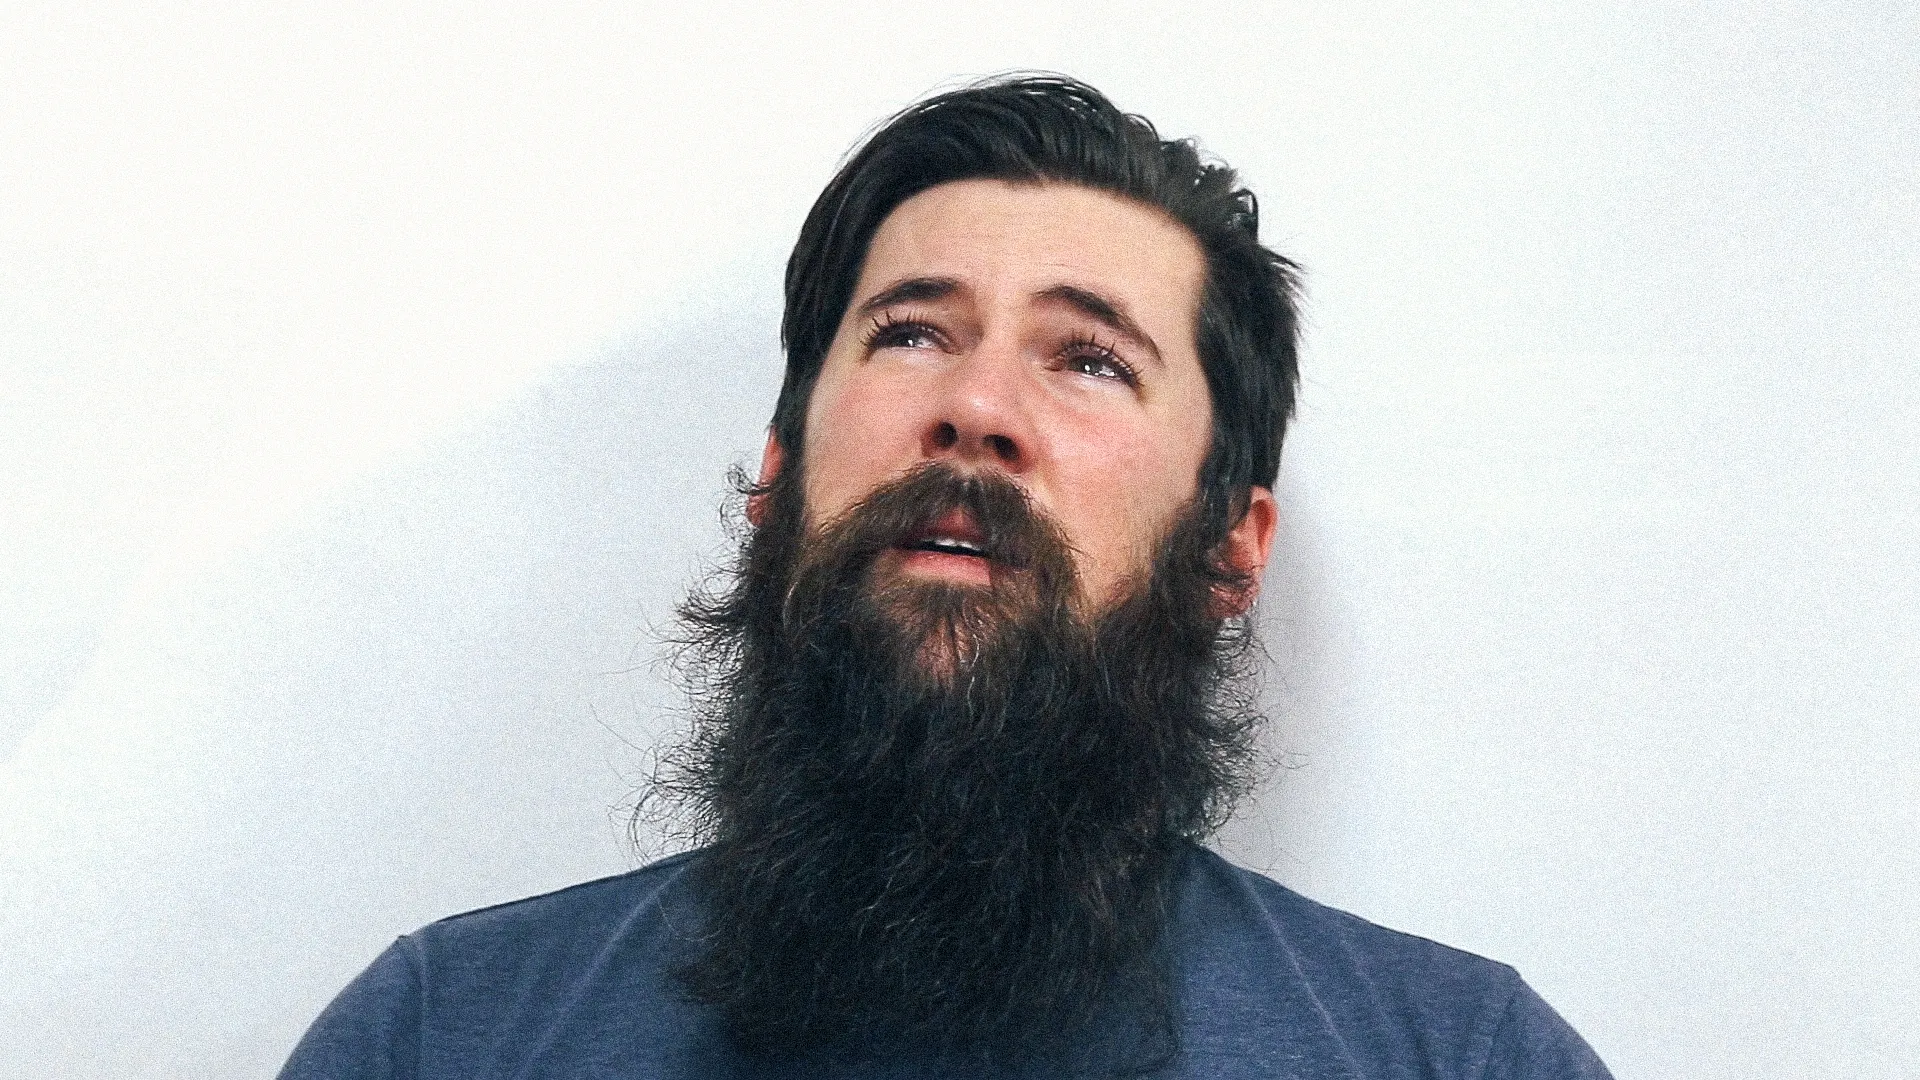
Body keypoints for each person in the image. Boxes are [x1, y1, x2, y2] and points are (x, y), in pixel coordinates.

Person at [279, 74, 1614, 1079]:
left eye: (1090, 359)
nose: (976, 407)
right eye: (913, 332)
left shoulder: (1459, 1056)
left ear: (1229, 548)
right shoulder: (443, 1033)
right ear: (778, 476)